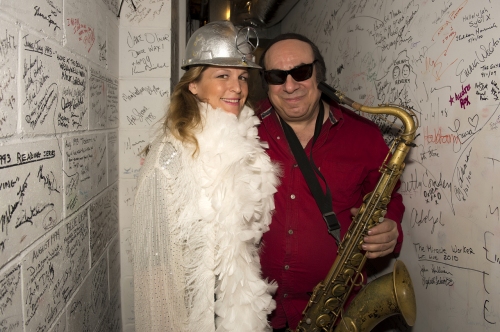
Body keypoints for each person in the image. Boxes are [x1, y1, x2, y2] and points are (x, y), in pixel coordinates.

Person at [132, 21, 279, 332]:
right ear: (193, 85)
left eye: (242, 77)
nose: (237, 88)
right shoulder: (169, 159)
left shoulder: (245, 144)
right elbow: (153, 269)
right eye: (222, 75)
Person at [256, 33, 405, 331]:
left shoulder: (363, 135)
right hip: (253, 310)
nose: (289, 86)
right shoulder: (244, 130)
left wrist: (390, 227)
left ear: (319, 75)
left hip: (334, 311)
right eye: (276, 76)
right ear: (266, 83)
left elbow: (389, 198)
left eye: (300, 72)